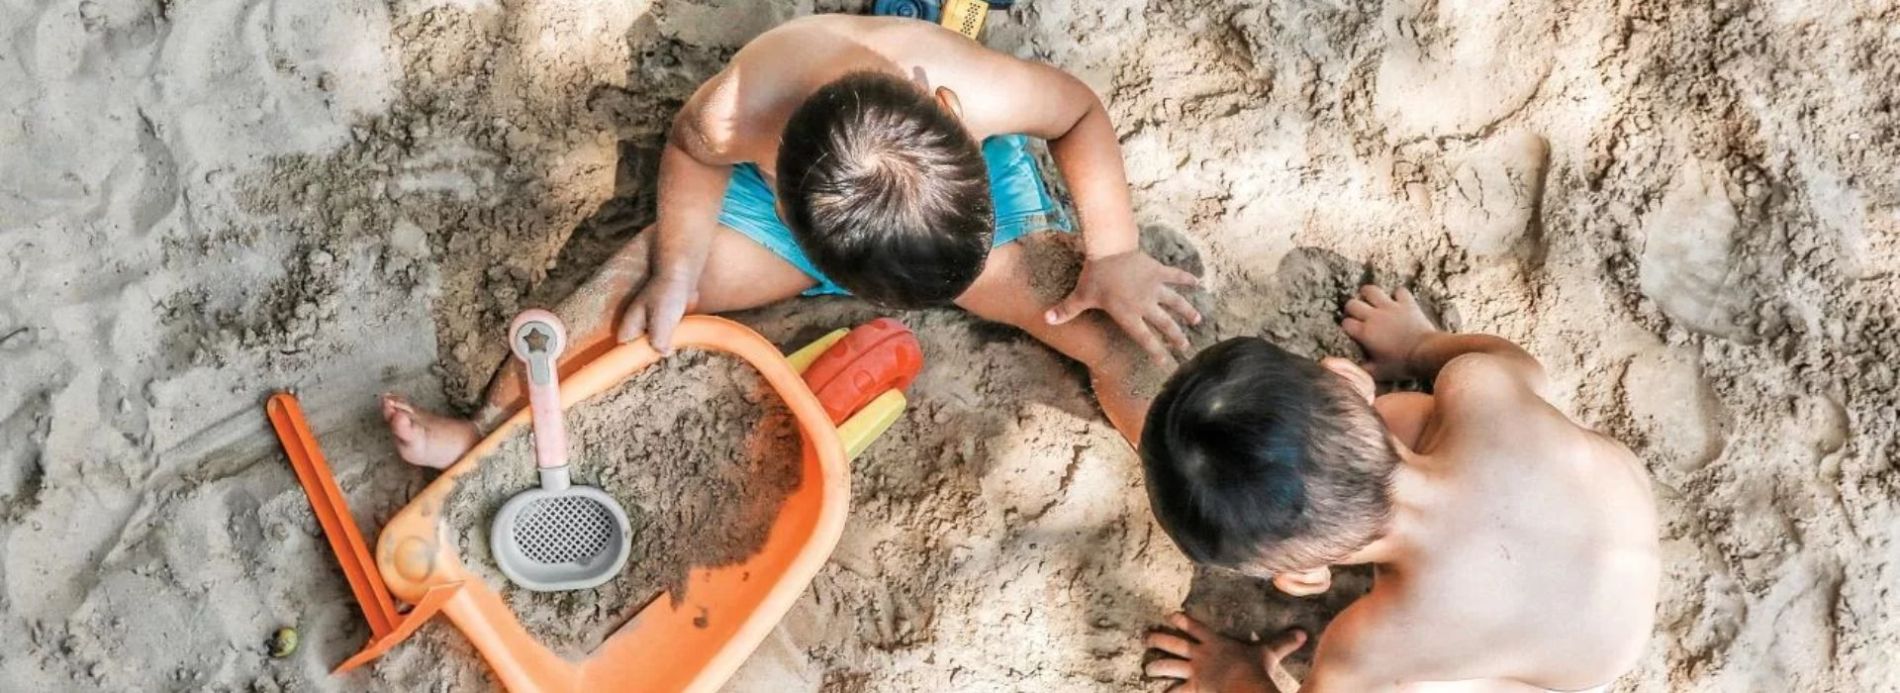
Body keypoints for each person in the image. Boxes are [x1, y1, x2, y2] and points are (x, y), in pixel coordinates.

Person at [380, 14, 1196, 465]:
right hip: (823, 213)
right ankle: (487, 428)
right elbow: (694, 155)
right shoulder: (738, 108)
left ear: (946, 106)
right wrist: (680, 267)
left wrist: (1116, 252)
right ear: (774, 182)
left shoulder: (973, 88)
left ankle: (1176, 458)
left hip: (955, 206)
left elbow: (1079, 112)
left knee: (1117, 333)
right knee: (636, 287)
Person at [1137, 285, 1659, 692]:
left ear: (1298, 572)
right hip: (1615, 559)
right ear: (1345, 379)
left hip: (1569, 681)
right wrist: (1419, 346)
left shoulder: (1370, 641)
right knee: (1408, 414)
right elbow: (1521, 364)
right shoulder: (1476, 384)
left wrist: (1233, 675)